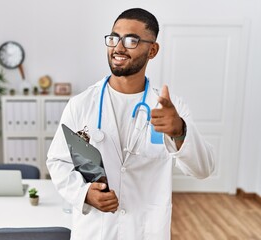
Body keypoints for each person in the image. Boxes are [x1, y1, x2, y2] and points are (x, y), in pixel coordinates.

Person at [46, 8, 215, 240]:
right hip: (96, 230)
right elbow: (57, 160)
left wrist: (179, 132)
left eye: (131, 40)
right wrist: (84, 193)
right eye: (114, 38)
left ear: (152, 50)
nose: (118, 47)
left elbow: (203, 169)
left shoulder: (172, 108)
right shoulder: (82, 104)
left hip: (146, 231)